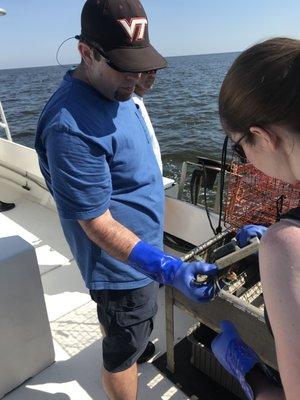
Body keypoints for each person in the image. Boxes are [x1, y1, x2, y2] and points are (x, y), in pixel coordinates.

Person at [35, 1, 218, 399]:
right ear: (86, 53)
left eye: (142, 67)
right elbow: (96, 224)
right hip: (120, 269)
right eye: (125, 67)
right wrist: (165, 267)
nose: (136, 80)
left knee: (125, 330)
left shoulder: (118, 91)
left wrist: (133, 77)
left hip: (140, 251)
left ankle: (126, 338)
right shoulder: (70, 128)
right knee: (123, 352)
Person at [211, 37, 300, 400]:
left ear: (262, 136)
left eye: (239, 146)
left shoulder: (286, 246)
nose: (243, 159)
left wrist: (252, 376)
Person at [132, 71, 163, 173]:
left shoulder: (137, 101)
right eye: (146, 71)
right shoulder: (133, 104)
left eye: (154, 71)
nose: (152, 75)